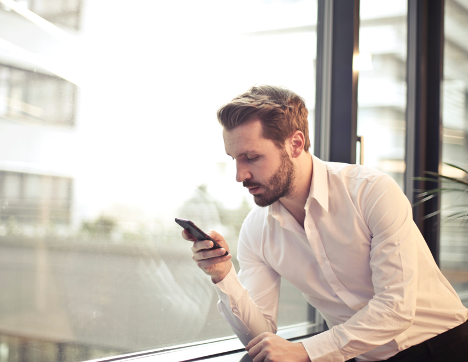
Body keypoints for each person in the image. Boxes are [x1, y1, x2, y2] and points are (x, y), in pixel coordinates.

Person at [182, 85, 468, 362]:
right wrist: (222, 275)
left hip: (443, 345)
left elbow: (396, 308)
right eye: (234, 159)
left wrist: (307, 351)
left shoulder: (370, 191)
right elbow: (261, 336)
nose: (239, 174)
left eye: (252, 157)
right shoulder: (256, 230)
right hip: (358, 355)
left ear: (295, 144)